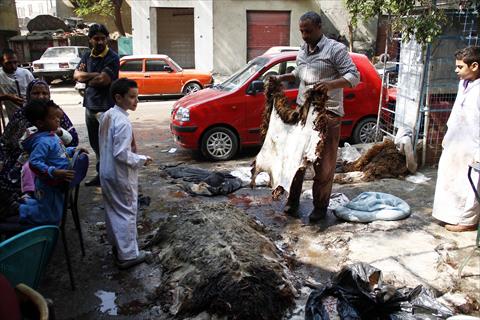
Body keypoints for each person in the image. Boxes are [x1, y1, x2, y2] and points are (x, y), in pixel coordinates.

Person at [274, 11, 359, 221]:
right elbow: (299, 74)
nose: (304, 35)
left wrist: (331, 84)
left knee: (324, 165)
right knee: (297, 161)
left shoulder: (335, 50)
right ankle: (292, 203)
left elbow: (354, 76)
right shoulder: (303, 49)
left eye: (308, 31)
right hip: (303, 114)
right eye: (301, 31)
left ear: (319, 28)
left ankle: (320, 208)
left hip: (327, 115)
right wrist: (283, 77)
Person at [0, 79, 78, 218]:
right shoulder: (21, 114)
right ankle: (17, 207)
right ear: (29, 95)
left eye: (44, 93)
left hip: (48, 162)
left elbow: (72, 139)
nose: (41, 96)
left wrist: (66, 144)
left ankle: (25, 208)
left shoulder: (55, 114)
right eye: (36, 93)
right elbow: (5, 143)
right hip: (21, 161)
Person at [99, 78, 152, 269]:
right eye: (132, 97)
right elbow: (121, 154)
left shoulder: (108, 115)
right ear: (118, 97)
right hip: (120, 175)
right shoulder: (122, 122)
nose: (136, 101)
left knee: (114, 211)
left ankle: (119, 247)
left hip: (106, 171)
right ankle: (128, 255)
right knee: (127, 212)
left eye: (137, 96)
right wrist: (142, 160)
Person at [432, 46, 480, 232]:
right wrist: (448, 134)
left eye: (460, 67)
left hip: (474, 145)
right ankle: (450, 215)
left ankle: (468, 221)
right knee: (450, 177)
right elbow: (457, 112)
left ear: (474, 66)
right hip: (457, 140)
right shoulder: (464, 84)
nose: (456, 70)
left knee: (470, 183)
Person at [18, 100, 83, 225]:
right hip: (48, 185)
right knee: (49, 216)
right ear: (40, 123)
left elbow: (59, 152)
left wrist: (72, 151)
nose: (58, 120)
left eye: (58, 117)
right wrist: (54, 171)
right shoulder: (42, 141)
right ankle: (21, 210)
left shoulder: (51, 135)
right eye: (53, 118)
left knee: (50, 209)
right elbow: (34, 162)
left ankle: (27, 203)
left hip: (55, 183)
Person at [74, 23, 120, 187]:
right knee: (95, 144)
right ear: (90, 40)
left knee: (109, 145)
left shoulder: (112, 57)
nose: (100, 42)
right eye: (96, 39)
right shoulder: (86, 56)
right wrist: (94, 75)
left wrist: (87, 78)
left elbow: (104, 80)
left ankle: (111, 177)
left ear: (107, 39)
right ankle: (101, 175)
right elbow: (76, 75)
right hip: (89, 107)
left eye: (103, 38)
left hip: (105, 108)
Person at [0, 48, 35, 120]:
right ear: (1, 62)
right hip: (14, 117)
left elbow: (36, 90)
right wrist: (7, 97)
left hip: (31, 114)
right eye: (8, 63)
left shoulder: (25, 73)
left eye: (15, 62)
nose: (13, 66)